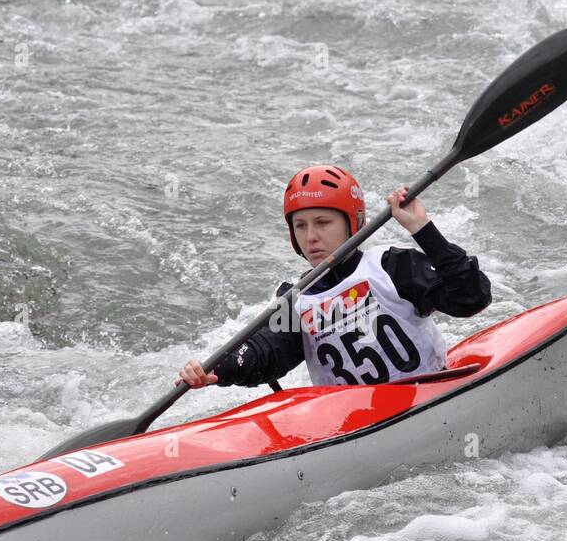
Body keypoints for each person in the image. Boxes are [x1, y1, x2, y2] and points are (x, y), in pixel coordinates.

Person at [175, 163, 491, 390]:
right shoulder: (296, 297)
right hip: (350, 422)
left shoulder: (393, 267)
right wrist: (220, 368)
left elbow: (470, 299)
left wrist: (423, 230)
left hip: (425, 394)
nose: (310, 236)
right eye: (301, 226)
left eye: (323, 222)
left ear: (355, 223)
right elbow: (266, 353)